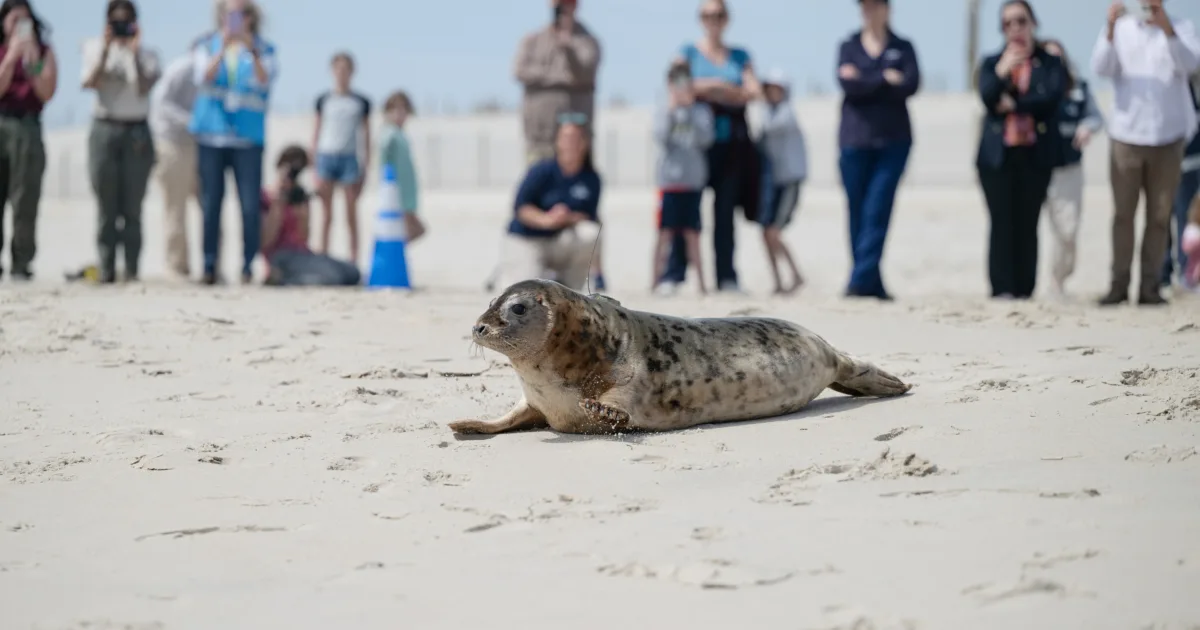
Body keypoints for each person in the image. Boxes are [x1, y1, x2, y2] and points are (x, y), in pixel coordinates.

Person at [1091, 0, 1200, 306]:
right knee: (1123, 216)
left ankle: (1150, 286)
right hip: (1127, 136)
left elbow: (1191, 64)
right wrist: (1111, 28)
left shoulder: (1182, 27)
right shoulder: (1121, 29)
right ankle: (1118, 284)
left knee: (1160, 217)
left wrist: (1167, 28)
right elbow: (1100, 67)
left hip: (1169, 138)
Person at [658, 0, 762, 296]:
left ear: (726, 19)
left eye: (718, 14)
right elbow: (678, 87)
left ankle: (726, 276)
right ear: (700, 19)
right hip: (692, 146)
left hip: (731, 146)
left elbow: (753, 92)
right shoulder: (687, 52)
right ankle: (674, 275)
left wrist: (709, 88)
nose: (713, 20)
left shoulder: (740, 55)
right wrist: (723, 88)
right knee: (683, 208)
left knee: (725, 212)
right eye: (707, 15)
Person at [975, 1, 1067, 300]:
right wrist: (1004, 72)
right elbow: (987, 96)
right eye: (1008, 24)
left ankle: (1024, 289)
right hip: (997, 157)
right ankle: (1001, 289)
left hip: (1034, 153)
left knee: (1028, 223)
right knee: (1000, 222)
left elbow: (1051, 98)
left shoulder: (1049, 62)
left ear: (1032, 23)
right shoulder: (992, 62)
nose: (1015, 28)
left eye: (1020, 21)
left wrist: (1016, 105)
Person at [835, 0, 920, 301]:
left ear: (887, 8)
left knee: (878, 210)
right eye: (865, 5)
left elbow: (910, 84)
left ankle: (858, 282)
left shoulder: (903, 46)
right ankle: (871, 280)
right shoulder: (848, 46)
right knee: (857, 213)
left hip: (893, 142)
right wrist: (885, 77)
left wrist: (865, 77)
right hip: (854, 140)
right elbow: (848, 86)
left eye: (875, 4)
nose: (870, 10)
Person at [189, 0, 278, 285]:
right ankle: (209, 265)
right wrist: (223, 47)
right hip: (212, 137)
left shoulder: (265, 50)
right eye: (230, 14)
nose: (235, 19)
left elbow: (265, 80)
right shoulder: (205, 44)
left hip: (248, 139)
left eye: (241, 14)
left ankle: (248, 266)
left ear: (251, 17)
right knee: (211, 204)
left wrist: (249, 49)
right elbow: (203, 76)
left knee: (250, 206)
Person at [81, 0, 160, 283]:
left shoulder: (148, 54)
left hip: (137, 131)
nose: (122, 26)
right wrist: (106, 49)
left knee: (133, 206)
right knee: (106, 204)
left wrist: (134, 54)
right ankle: (106, 268)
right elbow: (89, 83)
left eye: (127, 20)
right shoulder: (94, 48)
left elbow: (144, 87)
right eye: (116, 21)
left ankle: (132, 270)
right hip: (105, 128)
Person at [495, 117, 601, 292]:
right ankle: (512, 271)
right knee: (522, 294)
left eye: (575, 139)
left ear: (584, 143)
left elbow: (589, 215)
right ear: (557, 142)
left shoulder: (591, 178)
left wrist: (565, 217)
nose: (570, 144)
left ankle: (570, 288)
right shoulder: (541, 170)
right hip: (528, 237)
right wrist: (546, 219)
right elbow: (520, 208)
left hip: (560, 240)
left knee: (590, 233)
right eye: (566, 138)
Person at [1040, 38, 1104, 298]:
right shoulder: (1034, 85)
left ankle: (1059, 280)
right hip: (1036, 166)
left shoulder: (1079, 88)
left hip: (1068, 167)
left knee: (1067, 229)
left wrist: (1087, 127)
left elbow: (1096, 116)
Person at [0, 0, 56, 281]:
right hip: (1, 121)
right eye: (14, 20)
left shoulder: (43, 52)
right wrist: (10, 57)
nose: (20, 27)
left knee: (25, 200)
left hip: (29, 127)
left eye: (25, 21)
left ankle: (21, 263)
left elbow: (46, 91)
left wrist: (31, 60)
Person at [651, 61, 714, 296]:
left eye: (684, 81)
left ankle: (702, 284)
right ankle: (654, 282)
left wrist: (689, 110)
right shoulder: (662, 109)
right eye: (675, 82)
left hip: (693, 182)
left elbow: (706, 139)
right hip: (668, 183)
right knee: (663, 233)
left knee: (693, 234)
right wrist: (672, 110)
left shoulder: (700, 111)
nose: (680, 87)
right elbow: (660, 136)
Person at [514, 0, 601, 165]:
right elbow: (519, 71)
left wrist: (567, 46)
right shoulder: (533, 40)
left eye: (568, 4)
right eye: (559, 4)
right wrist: (560, 77)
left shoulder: (588, 42)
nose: (564, 8)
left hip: (576, 142)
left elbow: (584, 74)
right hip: (540, 137)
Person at [260, 145, 360, 287]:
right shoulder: (267, 196)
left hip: (302, 254)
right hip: (280, 256)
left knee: (352, 273)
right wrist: (277, 206)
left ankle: (287, 277)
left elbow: (304, 237)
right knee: (332, 278)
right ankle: (281, 279)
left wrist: (303, 212)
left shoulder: (299, 196)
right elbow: (266, 241)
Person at [150, 49, 207, 280]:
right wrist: (193, 121)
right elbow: (161, 102)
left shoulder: (222, 72)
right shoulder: (183, 68)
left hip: (203, 145)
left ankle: (211, 265)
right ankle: (177, 266)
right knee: (175, 208)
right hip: (173, 143)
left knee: (210, 207)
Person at [311, 51, 370, 264]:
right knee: (326, 214)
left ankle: (354, 259)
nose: (342, 73)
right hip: (326, 157)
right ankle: (323, 259)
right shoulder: (324, 100)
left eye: (346, 69)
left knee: (351, 214)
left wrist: (365, 167)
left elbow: (366, 136)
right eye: (338, 69)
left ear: (352, 72)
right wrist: (313, 165)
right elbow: (316, 134)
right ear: (332, 71)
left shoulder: (361, 102)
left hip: (349, 159)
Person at [755, 68, 808, 295]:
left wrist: (754, 98)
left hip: (789, 181)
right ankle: (778, 281)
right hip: (773, 181)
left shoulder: (786, 113)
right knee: (765, 232)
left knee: (774, 231)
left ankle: (796, 275)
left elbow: (770, 127)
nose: (772, 93)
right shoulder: (770, 111)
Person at [1162, 70, 1200, 292]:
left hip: (1191, 161)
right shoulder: (1170, 88)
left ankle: (1188, 274)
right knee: (1168, 216)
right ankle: (1170, 273)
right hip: (1171, 160)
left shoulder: (1192, 85)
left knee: (1188, 218)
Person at [378, 90, 425, 245]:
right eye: (395, 110)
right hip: (397, 194)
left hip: (406, 193)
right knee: (410, 229)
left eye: (403, 110)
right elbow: (384, 156)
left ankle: (396, 252)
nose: (399, 114)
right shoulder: (389, 134)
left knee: (413, 230)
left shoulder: (400, 135)